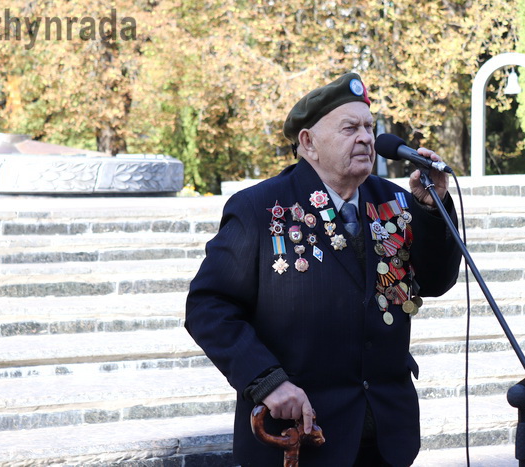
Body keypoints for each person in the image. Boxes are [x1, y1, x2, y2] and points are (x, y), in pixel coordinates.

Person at [185, 72, 462, 466]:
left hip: (386, 433)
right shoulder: (260, 209)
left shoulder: (399, 201)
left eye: (369, 127)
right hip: (300, 435)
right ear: (308, 142)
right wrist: (266, 381)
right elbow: (208, 306)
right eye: (350, 128)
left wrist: (431, 209)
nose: (366, 138)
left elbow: (434, 281)